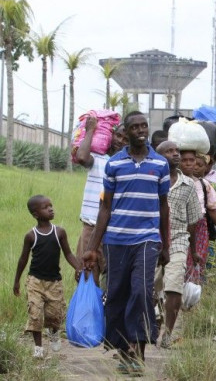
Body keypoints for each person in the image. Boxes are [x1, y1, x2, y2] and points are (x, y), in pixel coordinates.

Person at [82, 111, 170, 375]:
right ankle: (123, 353)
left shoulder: (160, 164)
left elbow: (163, 208)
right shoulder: (114, 164)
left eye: (144, 126)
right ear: (126, 132)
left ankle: (138, 351)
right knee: (118, 295)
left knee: (141, 292)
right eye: (135, 127)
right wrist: (92, 248)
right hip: (116, 240)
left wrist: (165, 243)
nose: (141, 130)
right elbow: (105, 208)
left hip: (147, 240)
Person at [13, 195, 80, 359]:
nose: (51, 209)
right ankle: (38, 348)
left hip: (54, 282)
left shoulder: (59, 232)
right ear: (35, 214)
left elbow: (69, 254)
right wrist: (16, 281)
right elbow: (23, 259)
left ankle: (54, 333)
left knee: (55, 315)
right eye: (45, 207)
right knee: (35, 314)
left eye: (51, 205)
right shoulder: (31, 235)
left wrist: (80, 268)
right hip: (35, 281)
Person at [153, 141, 203, 349]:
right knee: (152, 288)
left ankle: (168, 333)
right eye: (169, 151)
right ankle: (155, 322)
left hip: (178, 241)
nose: (175, 155)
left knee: (174, 286)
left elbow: (193, 220)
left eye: (176, 151)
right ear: (159, 156)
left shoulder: (188, 185)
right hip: (152, 241)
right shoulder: (152, 180)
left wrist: (192, 250)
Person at [75, 118, 126, 286]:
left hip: (115, 227)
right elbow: (81, 157)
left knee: (112, 276)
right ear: (111, 135)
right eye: (118, 135)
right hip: (91, 225)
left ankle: (107, 310)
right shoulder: (98, 159)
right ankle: (92, 311)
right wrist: (90, 130)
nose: (120, 141)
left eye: (126, 139)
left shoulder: (128, 165)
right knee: (88, 275)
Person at [180, 150, 216, 284]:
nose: (195, 167)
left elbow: (213, 209)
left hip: (199, 229)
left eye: (199, 165)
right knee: (181, 261)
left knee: (197, 259)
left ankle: (194, 292)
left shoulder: (205, 185)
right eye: (192, 163)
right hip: (180, 226)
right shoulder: (176, 181)